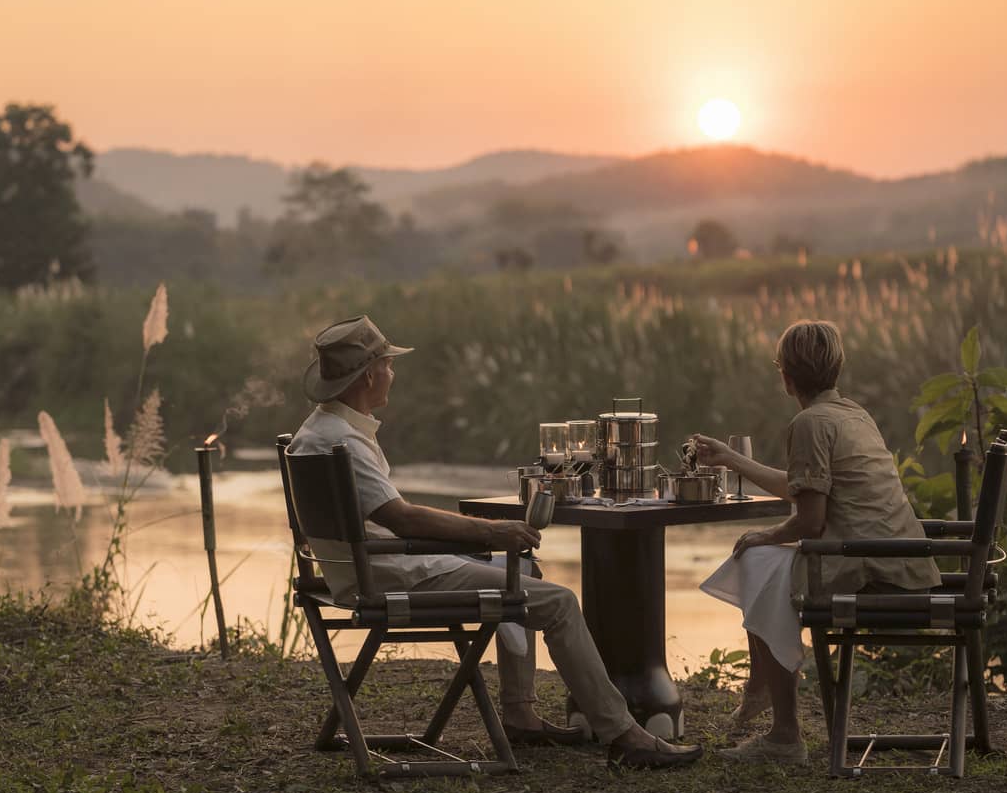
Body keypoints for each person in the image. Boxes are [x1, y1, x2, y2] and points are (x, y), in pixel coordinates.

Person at [288, 315, 702, 769]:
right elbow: (402, 519)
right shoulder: (342, 442)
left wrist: (484, 539)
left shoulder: (315, 432)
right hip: (388, 577)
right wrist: (491, 531)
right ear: (369, 374)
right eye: (388, 364)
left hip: (356, 571)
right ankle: (625, 734)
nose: (392, 373)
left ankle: (521, 715)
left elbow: (390, 521)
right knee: (559, 602)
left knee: (522, 570)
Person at [693, 319, 941, 764]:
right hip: (902, 563)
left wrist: (765, 534)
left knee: (760, 562)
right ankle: (761, 688)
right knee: (763, 561)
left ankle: (783, 731)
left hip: (869, 571)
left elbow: (809, 521)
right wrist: (731, 459)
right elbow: (801, 487)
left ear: (786, 377)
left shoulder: (809, 423)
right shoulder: (852, 414)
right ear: (837, 369)